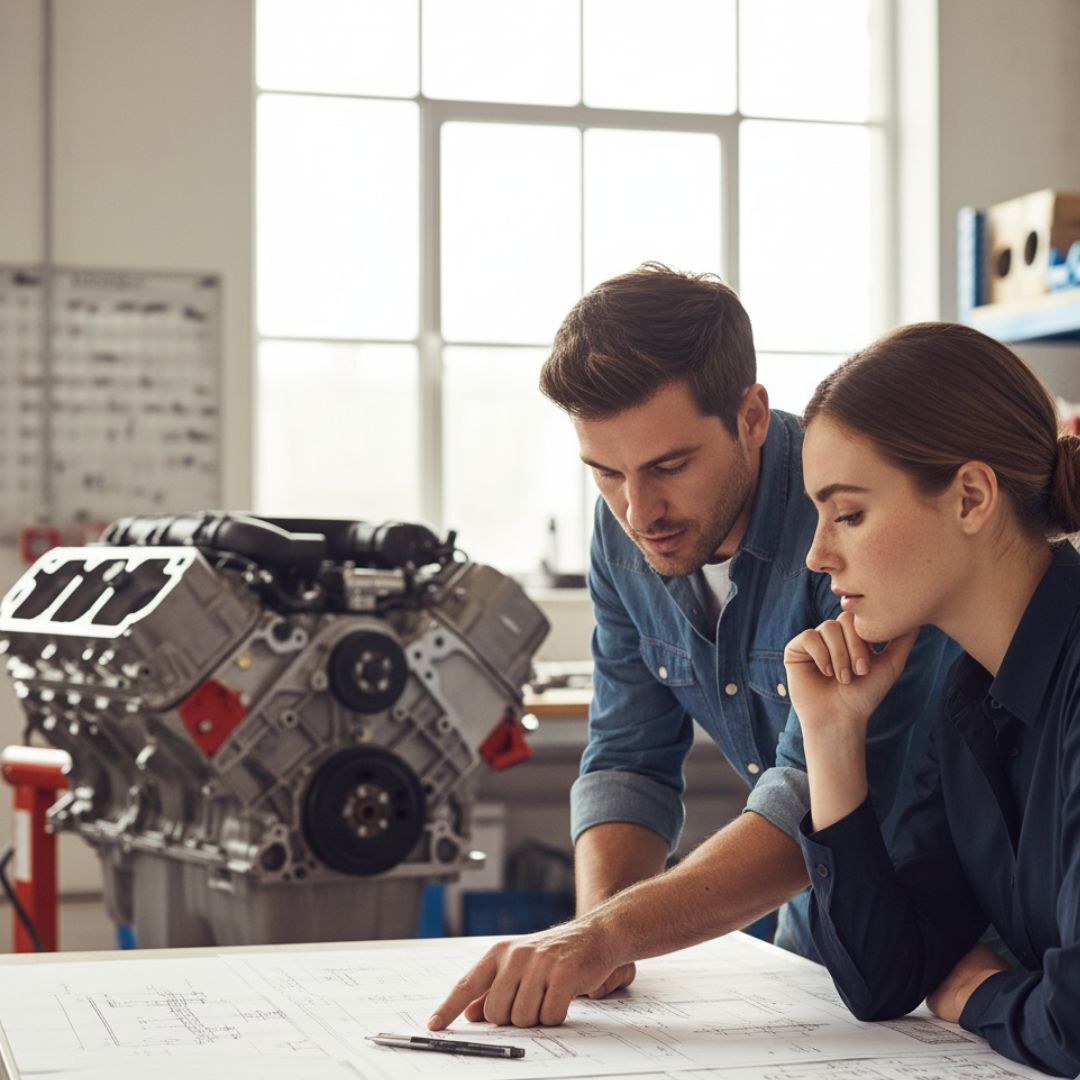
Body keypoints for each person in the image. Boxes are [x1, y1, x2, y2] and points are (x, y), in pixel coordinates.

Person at [428, 265, 956, 1032]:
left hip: (955, 945)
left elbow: (817, 792)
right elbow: (627, 759)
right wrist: (598, 939)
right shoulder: (625, 533)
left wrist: (599, 935)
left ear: (749, 415)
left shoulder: (848, 519)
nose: (639, 511)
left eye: (669, 466)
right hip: (813, 943)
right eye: (606, 473)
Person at [786, 321, 1080, 1077]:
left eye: (848, 513)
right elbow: (885, 977)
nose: (818, 555)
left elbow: (1074, 1021)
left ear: (972, 497)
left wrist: (980, 994)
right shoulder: (971, 692)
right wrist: (832, 737)